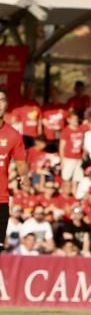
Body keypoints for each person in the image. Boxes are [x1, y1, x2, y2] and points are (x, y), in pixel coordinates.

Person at [0, 89, 28, 250]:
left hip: (1, 199)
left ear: (6, 105)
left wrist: (23, 175)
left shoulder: (13, 135)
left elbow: (21, 163)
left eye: (2, 100)